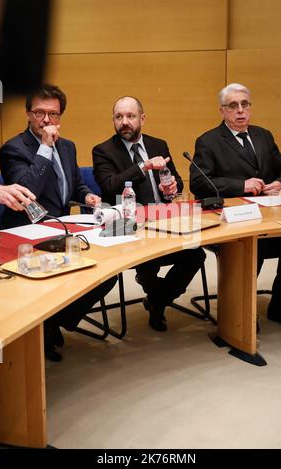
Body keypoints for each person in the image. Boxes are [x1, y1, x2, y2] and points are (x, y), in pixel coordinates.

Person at [0, 84, 117, 361]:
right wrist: (44, 149)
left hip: (62, 229)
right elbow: (27, 193)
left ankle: (53, 323)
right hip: (25, 233)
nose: (47, 120)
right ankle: (42, 329)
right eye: (40, 113)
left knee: (105, 272)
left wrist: (87, 196)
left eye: (54, 114)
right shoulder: (13, 149)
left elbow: (74, 186)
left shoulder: (68, 146)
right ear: (28, 114)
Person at [92, 96, 205, 332]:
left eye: (130, 116)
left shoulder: (158, 145)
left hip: (165, 221)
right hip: (129, 227)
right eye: (119, 117)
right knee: (147, 261)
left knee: (196, 254)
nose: (124, 122)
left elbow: (176, 185)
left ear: (142, 118)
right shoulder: (103, 151)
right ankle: (157, 301)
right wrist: (143, 167)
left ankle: (156, 299)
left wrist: (172, 189)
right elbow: (110, 186)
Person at [190, 82, 281, 330]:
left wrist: (279, 183)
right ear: (222, 111)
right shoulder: (209, 141)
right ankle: (241, 311)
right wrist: (242, 185)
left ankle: (279, 305)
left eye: (245, 104)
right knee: (252, 245)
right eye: (233, 106)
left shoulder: (263, 135)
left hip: (270, 216)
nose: (240, 111)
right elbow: (200, 183)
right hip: (232, 224)